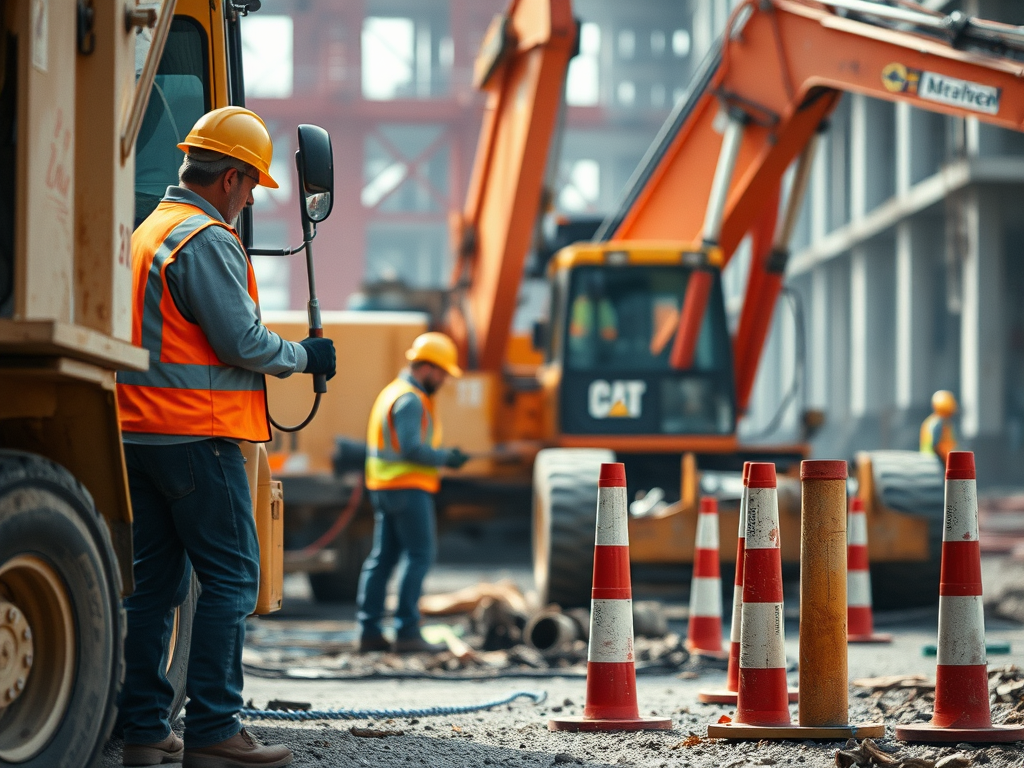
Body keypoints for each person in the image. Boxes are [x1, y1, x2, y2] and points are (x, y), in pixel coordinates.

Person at [115, 106, 336, 768]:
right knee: (234, 578)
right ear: (233, 179)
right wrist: (305, 358)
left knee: (153, 589)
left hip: (139, 434)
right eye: (251, 188)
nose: (247, 202)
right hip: (197, 437)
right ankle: (214, 729)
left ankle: (146, 729)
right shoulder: (204, 238)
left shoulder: (148, 231)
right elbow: (240, 341)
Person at [357, 332, 470, 653]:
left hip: (385, 487)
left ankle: (369, 631)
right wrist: (447, 458)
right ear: (429, 368)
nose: (445, 380)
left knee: (382, 560)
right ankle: (407, 631)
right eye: (444, 373)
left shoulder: (393, 392)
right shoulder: (410, 399)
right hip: (408, 488)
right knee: (418, 556)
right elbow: (411, 449)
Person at [920, 389, 958, 463]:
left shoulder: (940, 422)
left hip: (935, 461)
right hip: (936, 462)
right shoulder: (938, 423)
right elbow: (936, 445)